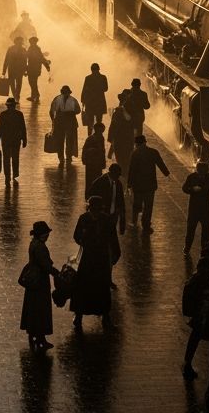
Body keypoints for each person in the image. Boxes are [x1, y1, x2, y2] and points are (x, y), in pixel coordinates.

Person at [71, 195, 120, 329]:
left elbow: (113, 239)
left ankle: (103, 315)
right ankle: (80, 315)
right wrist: (84, 243)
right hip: (90, 258)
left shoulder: (104, 220)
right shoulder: (86, 219)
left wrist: (114, 254)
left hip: (99, 258)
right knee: (86, 286)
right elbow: (77, 235)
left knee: (101, 287)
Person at [20, 220, 56, 351]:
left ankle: (33, 333)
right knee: (41, 309)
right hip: (40, 281)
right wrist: (56, 272)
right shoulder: (40, 246)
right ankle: (41, 338)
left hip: (33, 280)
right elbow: (45, 265)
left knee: (32, 307)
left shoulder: (33, 243)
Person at [126, 135, 170, 232]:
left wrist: (129, 184)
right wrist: (167, 173)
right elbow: (160, 163)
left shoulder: (135, 154)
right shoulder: (153, 152)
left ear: (136, 144)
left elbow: (131, 170)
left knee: (137, 204)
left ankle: (134, 222)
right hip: (150, 185)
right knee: (148, 206)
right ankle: (146, 225)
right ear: (145, 142)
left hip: (138, 185)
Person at [181, 257, 209, 379]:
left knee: (194, 339)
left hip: (196, 316)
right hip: (203, 315)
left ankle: (187, 363)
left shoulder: (195, 277)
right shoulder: (205, 278)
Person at [182, 159, 209, 255]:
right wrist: (192, 189)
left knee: (199, 231)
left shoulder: (193, 177)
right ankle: (189, 248)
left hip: (199, 209)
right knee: (197, 231)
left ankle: (198, 249)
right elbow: (184, 188)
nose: (201, 175)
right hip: (201, 209)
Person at [88, 162, 127, 235]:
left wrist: (122, 220)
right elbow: (90, 194)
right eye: (117, 175)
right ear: (112, 173)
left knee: (110, 235)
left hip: (113, 215)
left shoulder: (118, 184)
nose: (118, 177)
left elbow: (121, 201)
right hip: (102, 214)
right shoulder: (101, 181)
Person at [0, 97, 28, 186]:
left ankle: (8, 177)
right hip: (15, 140)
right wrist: (24, 139)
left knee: (7, 159)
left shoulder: (3, 114)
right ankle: (14, 175)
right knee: (14, 158)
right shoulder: (19, 114)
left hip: (6, 140)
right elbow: (23, 128)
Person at [49, 85, 82, 164]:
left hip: (70, 121)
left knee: (70, 140)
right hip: (60, 122)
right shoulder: (57, 99)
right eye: (64, 92)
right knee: (60, 140)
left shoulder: (73, 100)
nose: (66, 94)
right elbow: (51, 111)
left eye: (67, 92)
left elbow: (78, 110)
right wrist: (53, 121)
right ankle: (61, 157)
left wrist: (71, 113)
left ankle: (68, 156)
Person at [81, 63, 109, 132]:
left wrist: (83, 101)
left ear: (91, 70)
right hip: (100, 102)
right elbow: (106, 88)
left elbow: (84, 90)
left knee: (90, 122)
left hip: (90, 103)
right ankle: (98, 135)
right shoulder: (103, 77)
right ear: (99, 69)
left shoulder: (88, 78)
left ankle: (90, 136)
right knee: (99, 121)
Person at [81, 122, 108, 193]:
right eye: (102, 130)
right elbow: (86, 150)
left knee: (94, 180)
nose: (102, 132)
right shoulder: (93, 139)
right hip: (92, 163)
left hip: (95, 163)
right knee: (92, 180)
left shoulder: (100, 138)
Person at [25, 37, 50, 102]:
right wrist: (47, 66)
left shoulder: (35, 48)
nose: (30, 43)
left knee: (32, 82)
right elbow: (41, 58)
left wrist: (47, 66)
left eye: (31, 41)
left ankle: (35, 95)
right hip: (33, 68)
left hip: (34, 69)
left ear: (34, 42)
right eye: (30, 42)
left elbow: (41, 58)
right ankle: (34, 95)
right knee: (33, 82)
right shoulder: (33, 48)